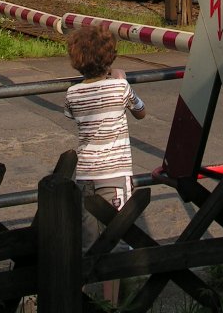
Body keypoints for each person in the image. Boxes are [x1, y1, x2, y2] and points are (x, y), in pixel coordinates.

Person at [64, 25, 146, 305]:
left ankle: (82, 299)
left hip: (86, 174)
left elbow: (72, 115)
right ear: (110, 58)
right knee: (117, 237)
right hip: (115, 174)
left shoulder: (72, 94)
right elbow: (141, 111)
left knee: (88, 240)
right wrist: (122, 80)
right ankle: (112, 303)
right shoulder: (119, 87)